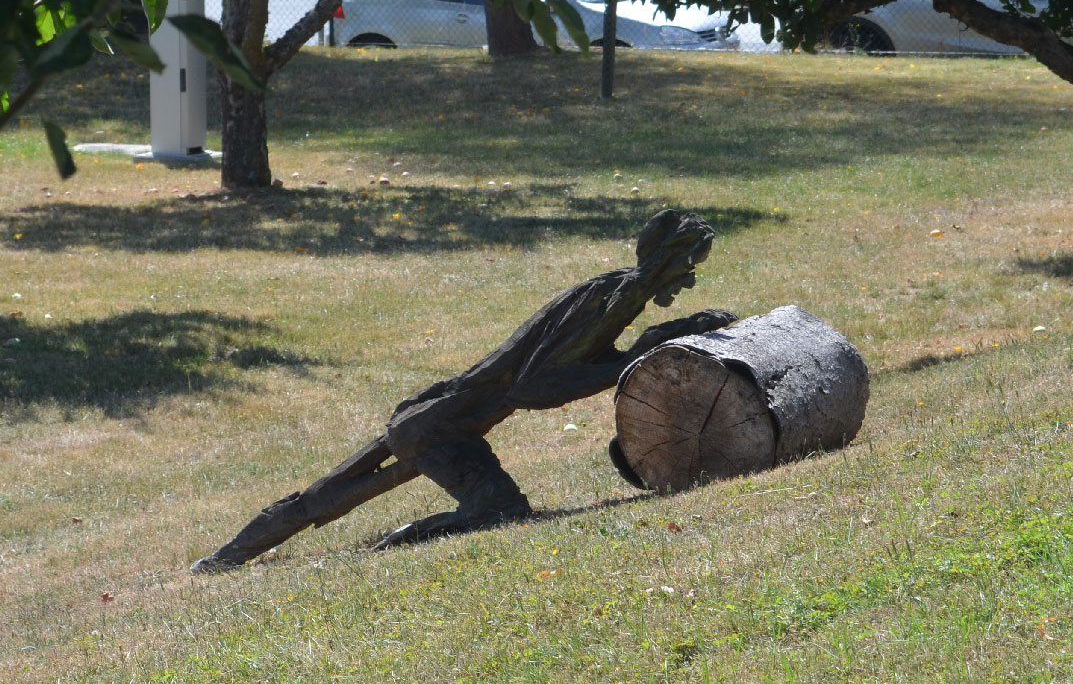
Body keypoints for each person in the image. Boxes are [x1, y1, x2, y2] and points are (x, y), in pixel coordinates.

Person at [191, 209, 735, 573]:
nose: (689, 277)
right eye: (690, 263)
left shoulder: (614, 289)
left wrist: (657, 341)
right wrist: (637, 358)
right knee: (498, 511)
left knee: (322, 499)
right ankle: (393, 545)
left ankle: (222, 559)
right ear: (667, 256)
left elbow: (570, 364)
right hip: (443, 427)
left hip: (440, 415)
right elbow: (533, 385)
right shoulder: (616, 297)